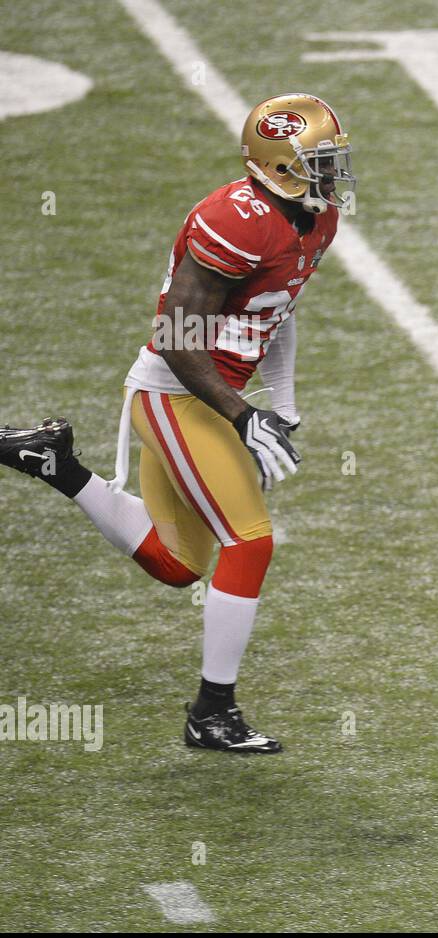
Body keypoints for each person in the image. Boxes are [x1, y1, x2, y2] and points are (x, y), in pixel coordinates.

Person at [0, 93, 355, 754]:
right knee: (251, 542)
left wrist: (285, 401)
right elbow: (175, 336)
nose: (336, 172)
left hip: (211, 393)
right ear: (283, 167)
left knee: (178, 564)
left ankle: (54, 462)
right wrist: (243, 416)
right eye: (322, 160)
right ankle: (211, 714)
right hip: (176, 391)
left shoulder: (315, 218)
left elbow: (276, 310)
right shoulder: (237, 221)